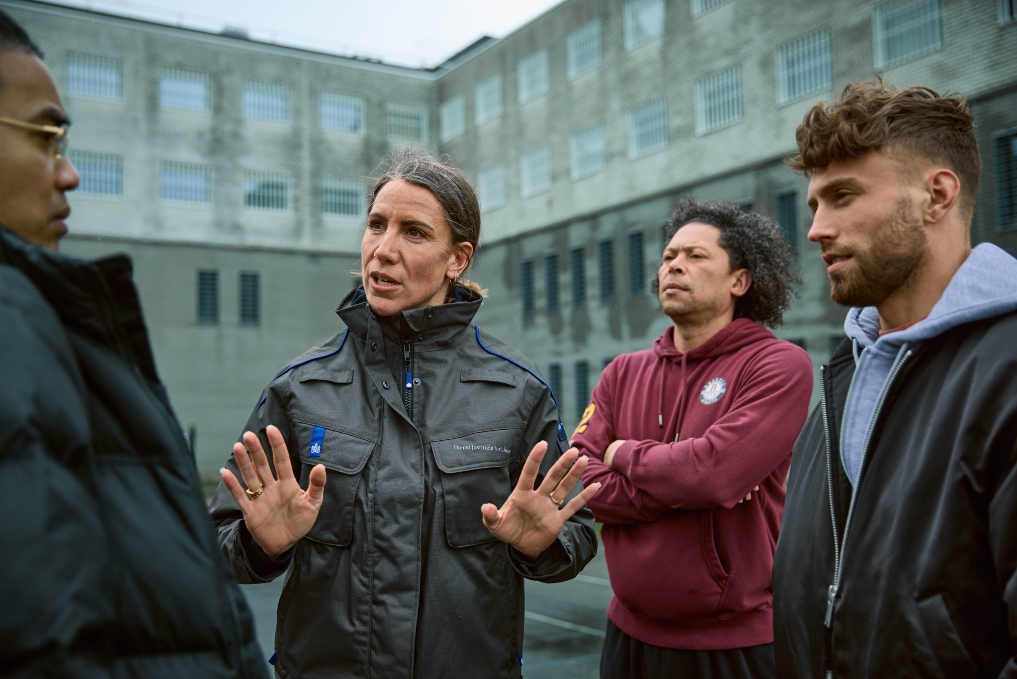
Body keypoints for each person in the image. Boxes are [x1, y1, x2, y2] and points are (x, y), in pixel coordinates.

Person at [209, 149, 601, 679]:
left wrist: (543, 547)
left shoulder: (516, 390)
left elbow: (574, 533)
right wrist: (261, 546)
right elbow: (219, 543)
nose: (383, 250)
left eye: (413, 232)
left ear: (457, 259)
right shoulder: (301, 387)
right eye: (376, 225)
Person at [0, 11, 268, 679]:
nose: (69, 175)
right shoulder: (16, 323)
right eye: (46, 139)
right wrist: (263, 544)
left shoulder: (44, 317)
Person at [772, 80, 1017, 678]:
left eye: (844, 196)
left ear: (937, 195)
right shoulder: (843, 375)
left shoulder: (1006, 367)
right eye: (814, 205)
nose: (816, 229)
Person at [573, 198, 813, 679]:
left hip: (735, 645)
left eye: (696, 256)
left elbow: (712, 475)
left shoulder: (778, 366)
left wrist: (622, 452)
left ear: (739, 282)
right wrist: (677, 484)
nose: (674, 265)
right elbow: (576, 475)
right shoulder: (622, 372)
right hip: (627, 637)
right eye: (668, 257)